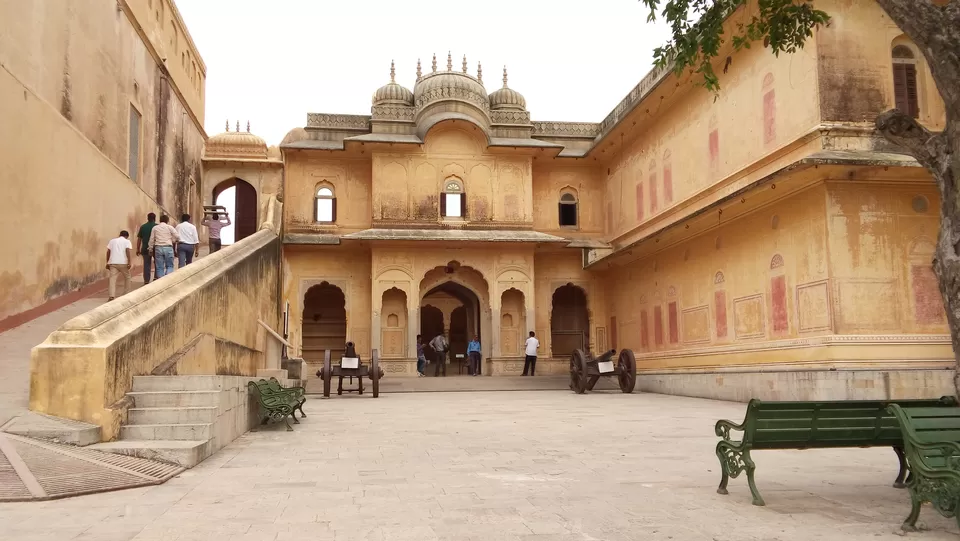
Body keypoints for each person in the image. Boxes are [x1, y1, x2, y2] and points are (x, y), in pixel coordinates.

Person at [148, 215, 179, 279]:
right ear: (167, 221)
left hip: (158, 248)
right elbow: (177, 236)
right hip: (168, 248)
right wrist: (173, 240)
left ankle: (161, 280)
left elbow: (151, 239)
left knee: (159, 267)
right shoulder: (170, 227)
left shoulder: (155, 228)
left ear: (160, 220)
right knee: (170, 266)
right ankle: (167, 278)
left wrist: (150, 249)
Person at [105, 230, 133, 301]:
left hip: (113, 263)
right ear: (126, 236)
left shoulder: (112, 241)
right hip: (123, 262)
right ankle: (126, 293)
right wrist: (129, 262)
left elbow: (108, 252)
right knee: (127, 277)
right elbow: (127, 251)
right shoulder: (127, 241)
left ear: (119, 235)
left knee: (112, 279)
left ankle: (111, 296)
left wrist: (108, 262)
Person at [135, 213, 157, 284]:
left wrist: (137, 249)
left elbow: (139, 239)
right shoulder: (157, 226)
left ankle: (146, 280)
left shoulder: (143, 227)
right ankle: (156, 277)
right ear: (155, 218)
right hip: (156, 248)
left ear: (147, 218)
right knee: (157, 263)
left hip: (145, 248)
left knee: (146, 264)